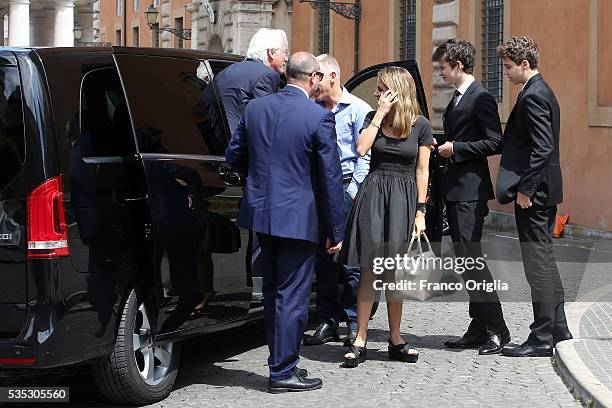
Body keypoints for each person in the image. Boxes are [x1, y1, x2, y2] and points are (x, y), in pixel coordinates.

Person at [226, 52, 345, 392]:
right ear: (312, 80)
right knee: (291, 296)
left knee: (272, 292)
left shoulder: (255, 109)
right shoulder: (318, 116)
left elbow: (234, 156)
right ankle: (282, 372)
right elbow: (330, 178)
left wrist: (259, 182)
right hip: (298, 219)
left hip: (262, 216)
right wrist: (335, 229)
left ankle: (283, 363)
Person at [337, 66, 433, 367]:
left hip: (404, 198)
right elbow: (361, 148)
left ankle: (395, 338)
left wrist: (421, 211)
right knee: (369, 269)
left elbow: (422, 171)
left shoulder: (421, 125)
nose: (377, 94)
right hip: (375, 195)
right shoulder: (372, 118)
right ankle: (361, 337)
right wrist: (379, 115)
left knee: (394, 273)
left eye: (381, 88)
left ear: (396, 90)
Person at [432, 39, 510, 355]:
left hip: (470, 191)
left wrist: (458, 149)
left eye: (443, 68)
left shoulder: (481, 98)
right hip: (455, 188)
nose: (441, 73)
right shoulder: (456, 98)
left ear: (459, 66)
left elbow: (495, 142)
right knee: (467, 261)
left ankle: (497, 329)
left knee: (471, 261)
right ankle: (478, 328)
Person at [495, 36, 572, 357]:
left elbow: (543, 148)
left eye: (509, 67)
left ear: (525, 65)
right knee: (545, 262)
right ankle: (559, 328)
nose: (507, 73)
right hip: (544, 190)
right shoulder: (541, 90)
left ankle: (540, 338)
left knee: (537, 265)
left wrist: (525, 189)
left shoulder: (534, 96)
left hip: (535, 194)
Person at [302, 54, 372, 347]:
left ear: (332, 76)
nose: (314, 82)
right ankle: (328, 320)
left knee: (350, 261)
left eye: (318, 75)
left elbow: (365, 155)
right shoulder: (312, 108)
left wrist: (351, 192)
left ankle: (355, 320)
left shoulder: (358, 109)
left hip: (347, 189)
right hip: (318, 191)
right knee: (323, 261)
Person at [211, 28, 288, 135]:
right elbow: (265, 122)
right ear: (271, 53)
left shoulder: (228, 71)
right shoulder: (266, 75)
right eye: (285, 52)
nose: (286, 58)